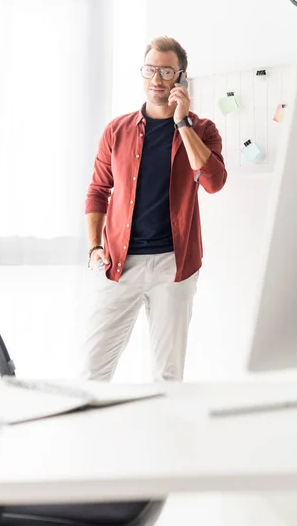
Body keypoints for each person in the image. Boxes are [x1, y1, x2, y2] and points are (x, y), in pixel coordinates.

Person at [83, 36, 227, 381]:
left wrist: (182, 123)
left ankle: (167, 435)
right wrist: (94, 246)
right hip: (119, 263)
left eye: (166, 71)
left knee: (168, 373)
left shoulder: (202, 129)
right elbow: (98, 191)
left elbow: (213, 182)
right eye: (150, 70)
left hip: (173, 267)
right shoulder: (116, 131)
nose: (157, 80)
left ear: (181, 77)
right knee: (93, 370)